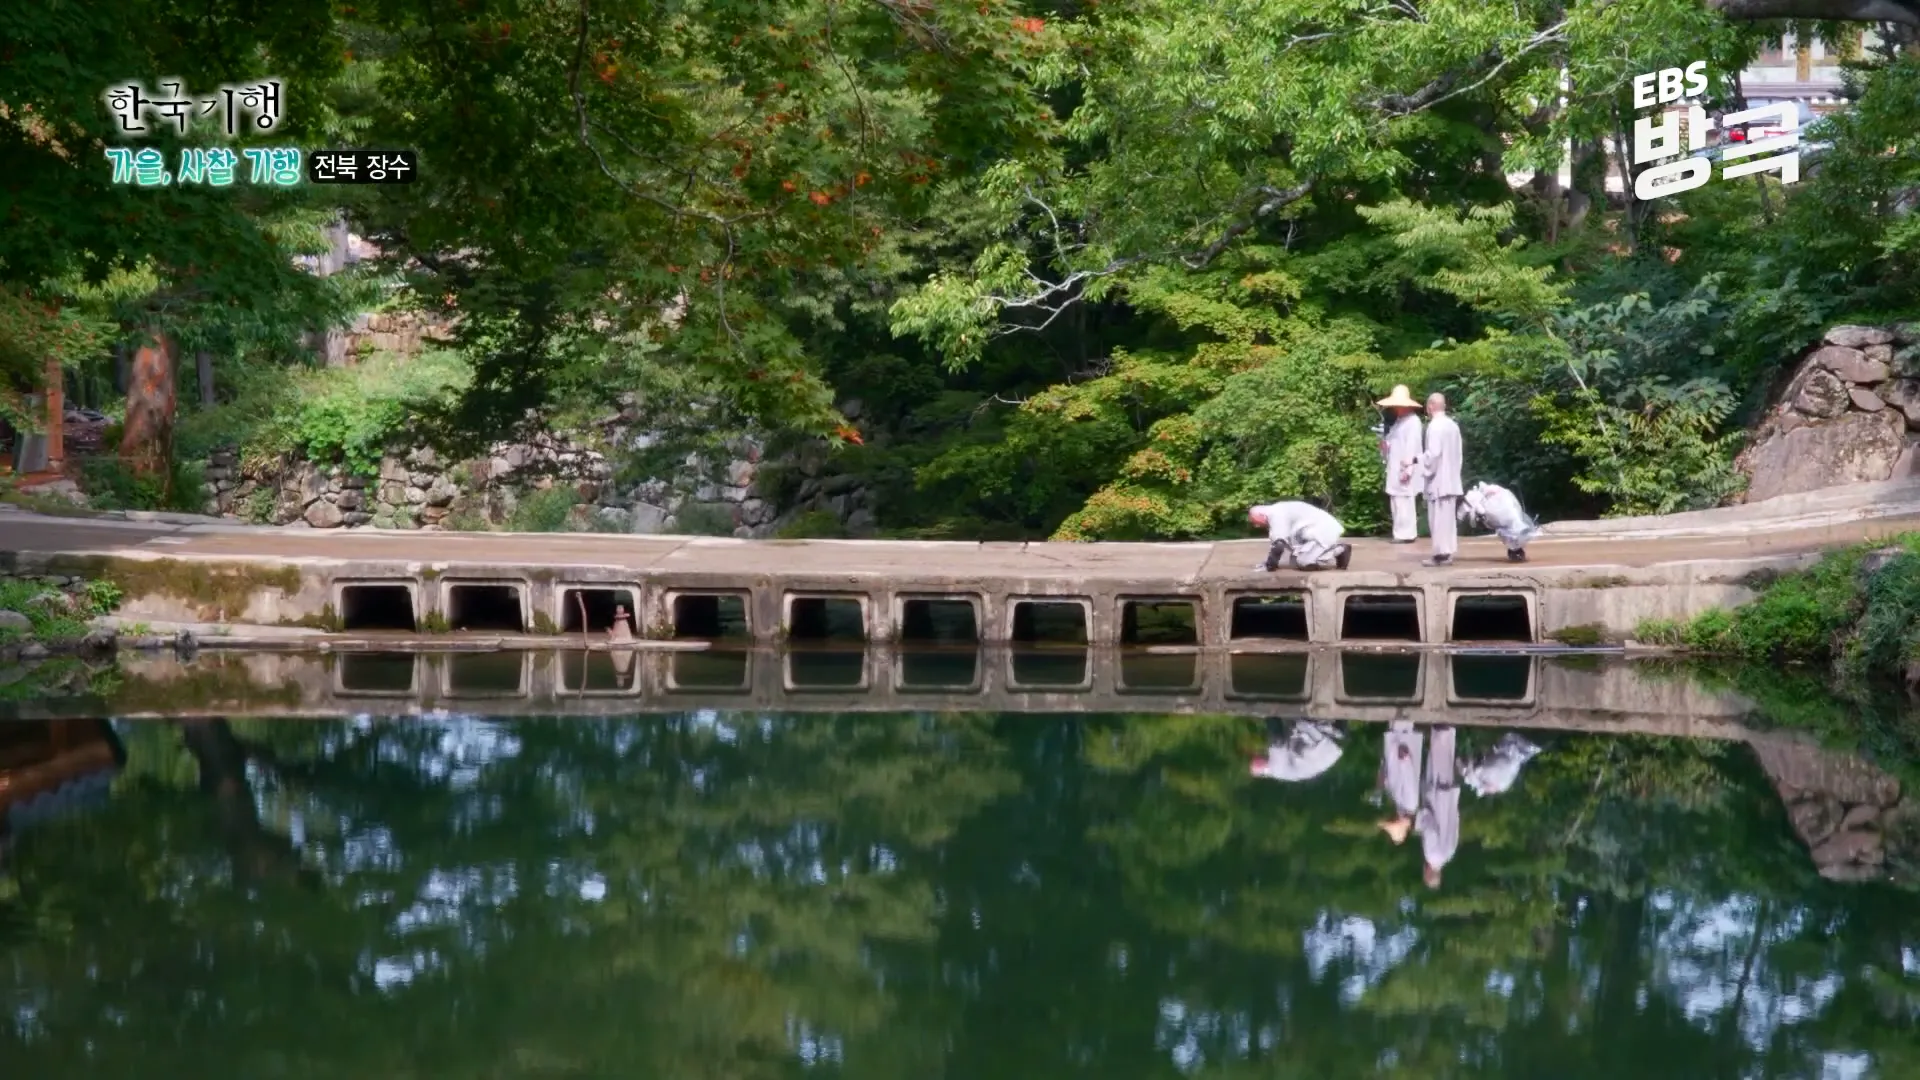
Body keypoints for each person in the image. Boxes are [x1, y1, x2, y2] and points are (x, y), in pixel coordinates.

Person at [1376, 385, 1425, 544]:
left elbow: (1413, 446)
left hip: (1404, 466)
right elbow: (1391, 441)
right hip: (1395, 465)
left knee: (1405, 500)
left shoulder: (1413, 422)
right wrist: (1385, 446)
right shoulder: (1399, 422)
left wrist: (1408, 469)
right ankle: (1399, 532)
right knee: (1396, 500)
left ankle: (1407, 533)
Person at [1420, 392, 1463, 567]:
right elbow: (1459, 454)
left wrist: (1422, 465)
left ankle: (1440, 554)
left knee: (1438, 519)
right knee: (1448, 520)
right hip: (1451, 478)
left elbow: (1433, 454)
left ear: (1430, 406)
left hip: (1439, 480)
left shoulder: (1435, 426)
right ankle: (1447, 552)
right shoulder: (1453, 425)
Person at [1415, 726, 1460, 889]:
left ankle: (1447, 732)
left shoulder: (1449, 854)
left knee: (1446, 760)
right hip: (1435, 799)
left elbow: (1456, 825)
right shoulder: (1432, 854)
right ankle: (1441, 729)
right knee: (1436, 760)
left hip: (1447, 801)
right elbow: (1430, 828)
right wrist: (1418, 822)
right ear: (1428, 873)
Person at [1249, 501, 1353, 571]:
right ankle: (1329, 550)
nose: (1257, 526)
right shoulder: (1279, 508)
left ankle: (1341, 549)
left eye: (1255, 522)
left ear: (1261, 515)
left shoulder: (1275, 514)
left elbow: (1279, 544)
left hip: (1322, 532)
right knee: (1294, 563)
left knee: (1304, 563)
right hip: (1312, 532)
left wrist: (1269, 566)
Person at [1459, 482, 1540, 563]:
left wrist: (1480, 515)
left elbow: (1471, 514)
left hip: (1503, 514)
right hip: (1504, 513)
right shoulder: (1480, 495)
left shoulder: (1477, 496)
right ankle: (1516, 550)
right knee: (1511, 529)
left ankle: (1516, 550)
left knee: (1510, 529)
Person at [1250, 718, 1345, 784]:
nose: (1262, 754)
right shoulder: (1276, 769)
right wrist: (1270, 716)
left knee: (1295, 729)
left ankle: (1336, 727)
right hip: (1322, 748)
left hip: (1329, 750)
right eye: (1260, 759)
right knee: (1297, 724)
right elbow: (1278, 742)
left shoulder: (1282, 772)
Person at [1376, 721, 1423, 846]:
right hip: (1402, 740)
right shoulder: (1410, 804)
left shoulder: (1400, 805)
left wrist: (1382, 781)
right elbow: (1409, 780)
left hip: (1396, 743)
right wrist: (1405, 760)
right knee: (1403, 717)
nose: (1391, 818)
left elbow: (1392, 780)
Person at [1463, 733, 1543, 797]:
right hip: (1509, 756)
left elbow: (1492, 787)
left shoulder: (1483, 774)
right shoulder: (1499, 782)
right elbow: (1493, 787)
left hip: (1509, 756)